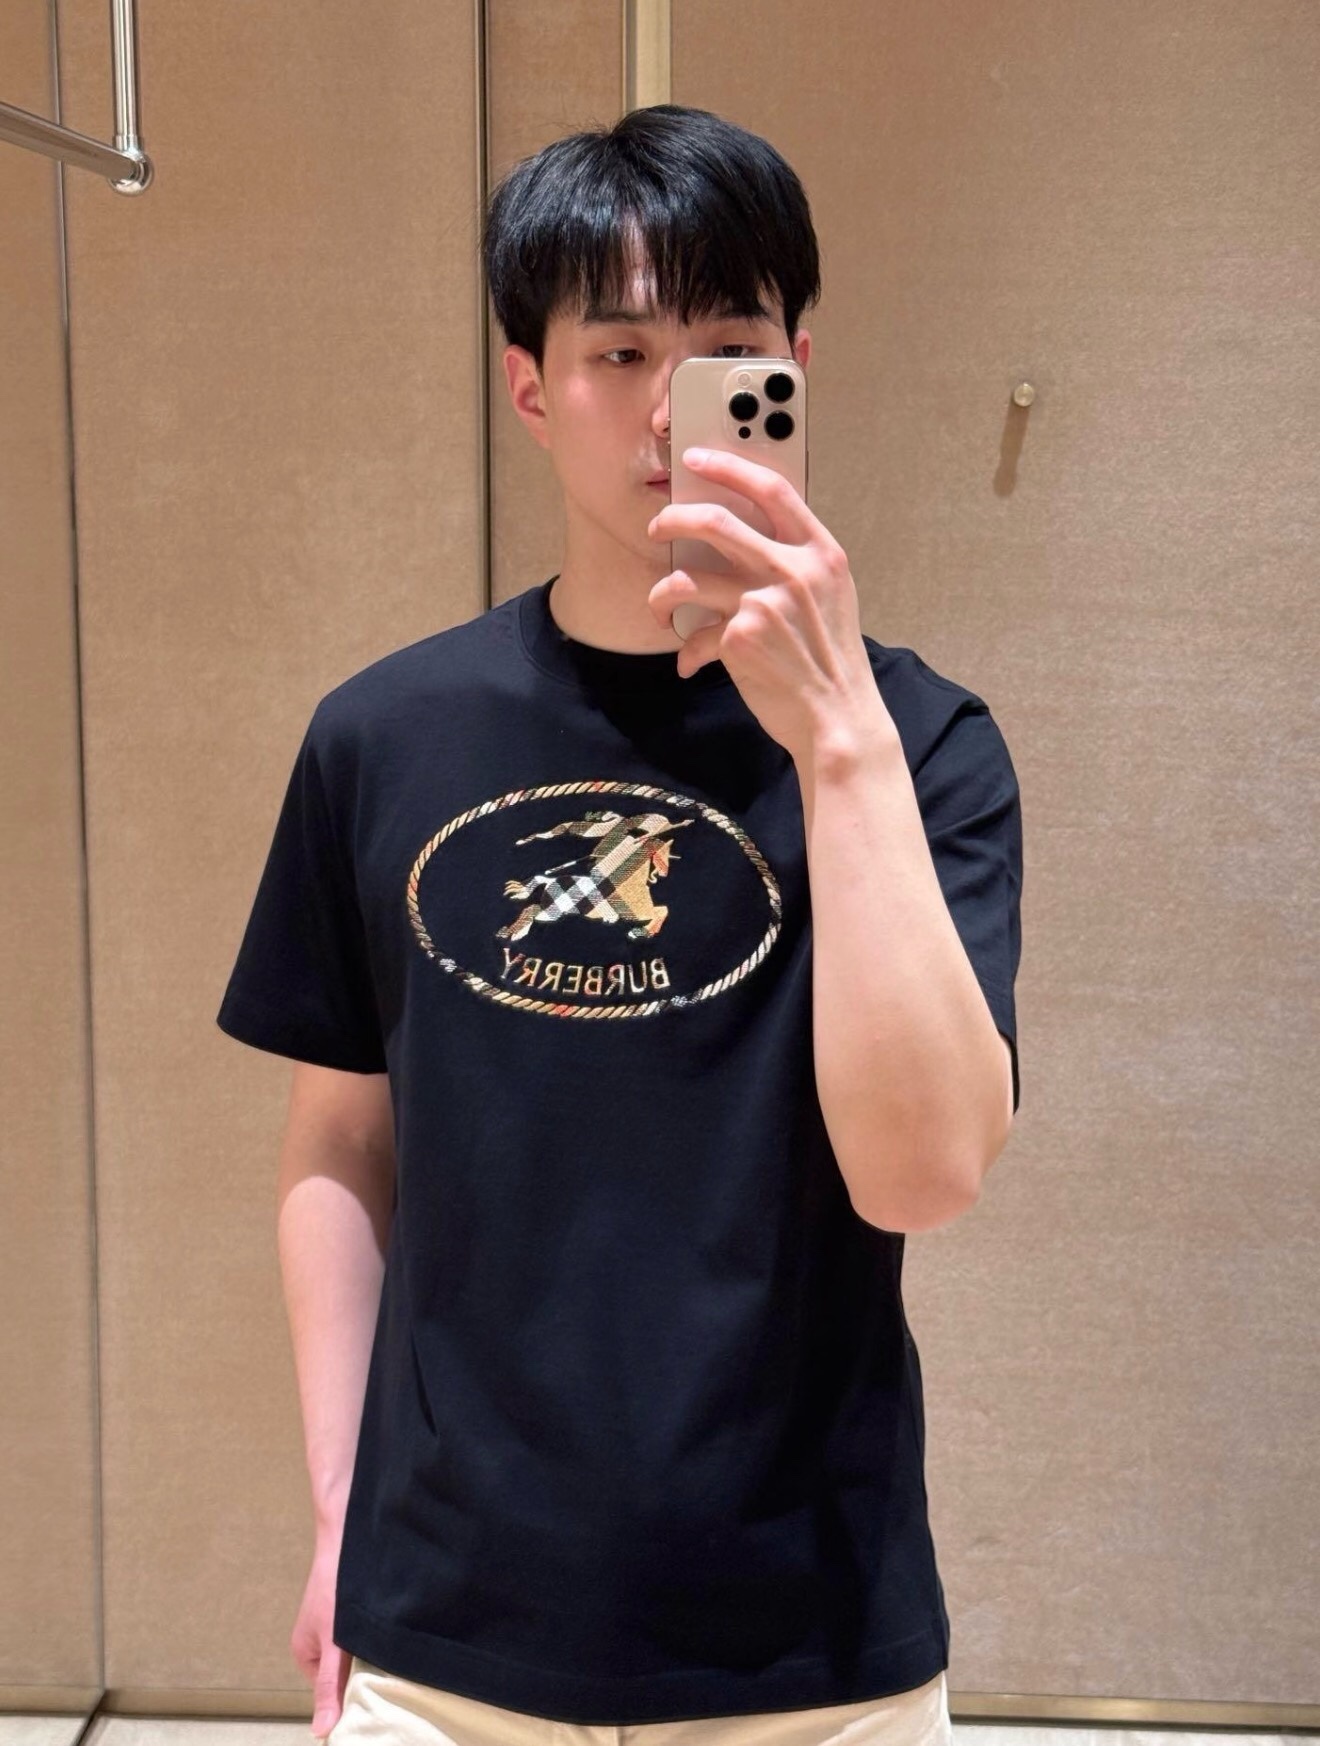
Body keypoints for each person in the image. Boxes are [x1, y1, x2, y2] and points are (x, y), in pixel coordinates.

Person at [217, 103, 1022, 1746]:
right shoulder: (383, 736)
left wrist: (838, 740)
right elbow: (340, 1144)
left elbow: (925, 1170)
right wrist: (338, 1511)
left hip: (813, 1654)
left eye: (726, 351)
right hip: (443, 1643)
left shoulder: (924, 747)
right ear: (530, 384)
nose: (670, 407)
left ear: (796, 365)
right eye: (619, 351)